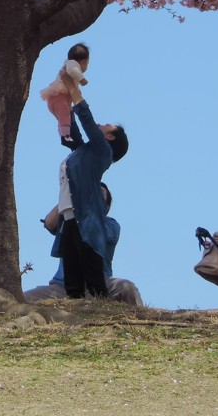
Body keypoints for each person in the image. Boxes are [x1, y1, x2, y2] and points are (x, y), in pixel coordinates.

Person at [55, 76, 129, 298]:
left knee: (94, 280)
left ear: (109, 137)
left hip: (86, 220)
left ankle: (101, 317)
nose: (101, 124)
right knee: (73, 284)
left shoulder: (102, 152)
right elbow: (71, 130)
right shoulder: (83, 151)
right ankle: (76, 322)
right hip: (69, 219)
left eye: (107, 126)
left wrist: (73, 88)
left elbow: (86, 120)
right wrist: (64, 98)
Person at [24, 182, 143, 306]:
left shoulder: (111, 225)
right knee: (21, 299)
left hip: (98, 285)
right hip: (62, 286)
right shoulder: (68, 219)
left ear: (106, 207)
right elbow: (50, 223)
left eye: (100, 193)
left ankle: (141, 318)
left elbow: (92, 232)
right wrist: (68, 197)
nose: (95, 194)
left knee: (127, 288)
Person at [39, 43, 90, 146]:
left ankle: (66, 135)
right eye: (87, 63)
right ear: (83, 62)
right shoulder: (72, 64)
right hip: (58, 97)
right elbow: (73, 71)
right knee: (65, 117)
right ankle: (65, 137)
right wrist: (82, 80)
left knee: (64, 118)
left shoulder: (68, 64)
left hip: (57, 99)